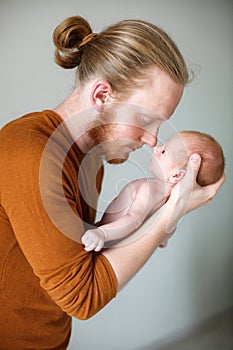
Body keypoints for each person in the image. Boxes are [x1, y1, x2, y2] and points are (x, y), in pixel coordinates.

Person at [0, 15, 225, 350]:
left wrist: (163, 212)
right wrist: (170, 212)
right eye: (146, 120)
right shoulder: (29, 153)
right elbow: (81, 297)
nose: (152, 140)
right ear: (102, 95)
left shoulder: (89, 164)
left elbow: (88, 262)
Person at [82, 130, 225, 252]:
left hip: (102, 243)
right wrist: (163, 239)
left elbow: (134, 219)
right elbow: (168, 228)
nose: (156, 148)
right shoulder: (167, 201)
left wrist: (102, 233)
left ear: (176, 175)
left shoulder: (150, 190)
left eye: (163, 151)